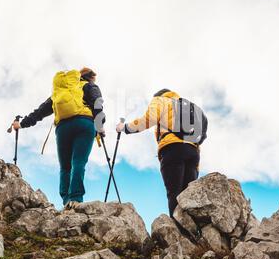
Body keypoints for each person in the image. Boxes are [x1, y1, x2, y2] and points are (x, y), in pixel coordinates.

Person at [12, 68, 105, 210]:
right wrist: (99, 126)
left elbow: (40, 112)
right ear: (91, 77)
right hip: (84, 124)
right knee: (78, 161)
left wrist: (22, 124)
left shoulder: (59, 91)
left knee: (65, 166)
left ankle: (66, 201)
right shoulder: (89, 86)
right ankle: (76, 198)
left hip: (63, 128)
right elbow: (97, 103)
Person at [116, 89, 200, 217]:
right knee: (190, 195)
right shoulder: (187, 106)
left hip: (172, 148)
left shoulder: (160, 100)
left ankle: (177, 231)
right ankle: (194, 232)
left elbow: (148, 119)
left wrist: (126, 128)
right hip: (192, 151)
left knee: (174, 193)